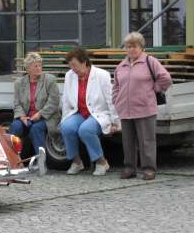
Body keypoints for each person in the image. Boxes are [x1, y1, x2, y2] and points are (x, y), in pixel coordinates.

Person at [113, 32, 172, 180]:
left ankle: (149, 169)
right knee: (127, 142)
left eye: (134, 46)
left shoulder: (150, 62)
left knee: (147, 141)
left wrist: (154, 90)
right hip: (125, 110)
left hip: (145, 109)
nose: (131, 49)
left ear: (141, 47)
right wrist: (117, 100)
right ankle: (129, 168)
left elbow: (166, 79)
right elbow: (116, 86)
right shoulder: (121, 66)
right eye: (128, 47)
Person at [60, 47, 120, 176]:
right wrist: (64, 119)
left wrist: (115, 121)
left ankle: (101, 162)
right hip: (79, 113)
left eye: (75, 65)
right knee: (66, 127)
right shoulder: (69, 75)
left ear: (84, 62)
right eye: (70, 66)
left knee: (85, 130)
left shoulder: (101, 75)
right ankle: (76, 162)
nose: (73, 69)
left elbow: (111, 99)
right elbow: (65, 100)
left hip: (98, 113)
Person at [7, 52, 60, 154]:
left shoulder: (49, 80)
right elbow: (16, 103)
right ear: (28, 69)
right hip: (26, 117)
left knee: (36, 129)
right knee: (15, 127)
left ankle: (41, 162)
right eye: (36, 66)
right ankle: (11, 158)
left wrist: (40, 114)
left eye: (40, 65)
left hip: (46, 118)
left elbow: (54, 102)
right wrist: (22, 117)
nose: (39, 68)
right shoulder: (19, 83)